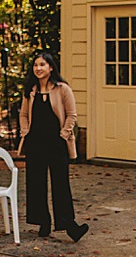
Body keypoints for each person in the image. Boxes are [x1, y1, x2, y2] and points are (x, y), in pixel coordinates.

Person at [17, 51, 89, 242]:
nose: (38, 68)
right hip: (35, 144)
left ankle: (69, 225)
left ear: (50, 67)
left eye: (42, 65)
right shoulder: (30, 91)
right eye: (35, 65)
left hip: (57, 144)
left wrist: (64, 134)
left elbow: (72, 115)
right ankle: (43, 221)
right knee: (36, 184)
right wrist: (25, 132)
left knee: (61, 184)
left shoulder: (62, 89)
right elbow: (23, 114)